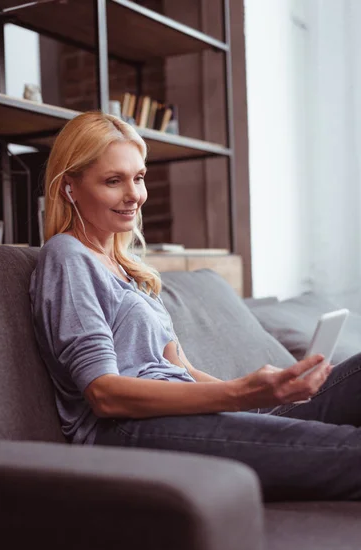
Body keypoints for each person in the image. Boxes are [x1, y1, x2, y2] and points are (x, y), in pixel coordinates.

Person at [30, 111, 361, 502]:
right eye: (113, 180)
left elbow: (181, 371)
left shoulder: (131, 270)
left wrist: (266, 397)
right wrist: (242, 394)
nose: (134, 194)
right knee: (349, 452)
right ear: (70, 187)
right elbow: (105, 395)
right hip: (128, 431)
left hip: (186, 417)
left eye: (138, 177)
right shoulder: (68, 257)